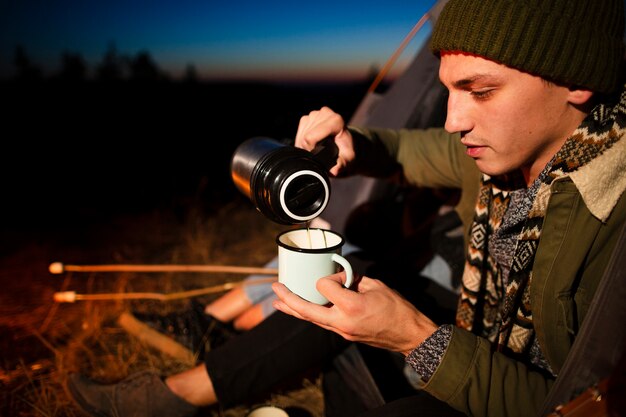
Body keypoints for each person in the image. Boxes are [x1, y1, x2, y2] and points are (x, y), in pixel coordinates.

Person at [64, 0, 626, 416]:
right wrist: (356, 143)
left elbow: (572, 406)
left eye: (479, 92)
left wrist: (414, 338)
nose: (454, 120)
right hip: (474, 330)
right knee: (349, 287)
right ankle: (178, 395)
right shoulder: (501, 155)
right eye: (448, 91)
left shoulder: (610, 217)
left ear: (575, 82)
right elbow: (408, 149)